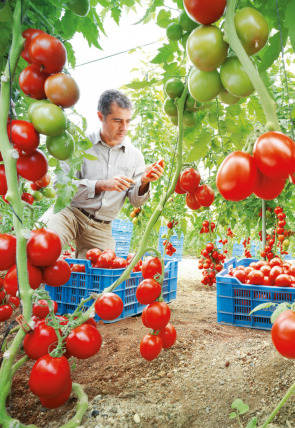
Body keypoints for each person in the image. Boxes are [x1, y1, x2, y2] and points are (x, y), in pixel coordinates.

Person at [44, 89, 164, 259]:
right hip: (69, 213)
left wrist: (144, 182)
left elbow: (135, 200)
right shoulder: (79, 144)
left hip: (102, 226)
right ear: (100, 116)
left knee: (101, 274)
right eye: (117, 121)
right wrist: (101, 185)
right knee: (42, 244)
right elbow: (60, 186)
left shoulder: (135, 156)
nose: (124, 128)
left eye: (128, 121)